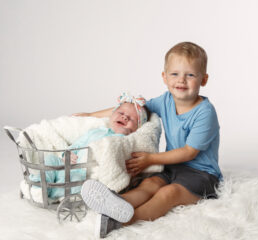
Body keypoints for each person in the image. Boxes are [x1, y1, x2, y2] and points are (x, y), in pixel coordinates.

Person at [77, 42, 222, 238]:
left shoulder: (205, 112)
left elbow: (189, 152)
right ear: (164, 77)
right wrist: (90, 114)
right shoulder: (166, 100)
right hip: (172, 167)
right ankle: (115, 203)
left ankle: (126, 220)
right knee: (150, 184)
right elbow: (132, 110)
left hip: (202, 174)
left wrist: (151, 159)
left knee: (168, 193)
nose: (181, 80)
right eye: (175, 74)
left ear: (203, 79)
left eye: (190, 75)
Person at [30, 93, 149, 199]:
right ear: (111, 115)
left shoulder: (124, 141)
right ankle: (40, 185)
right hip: (69, 164)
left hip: (82, 174)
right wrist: (67, 153)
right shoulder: (96, 131)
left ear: (136, 129)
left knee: (78, 185)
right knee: (50, 160)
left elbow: (117, 156)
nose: (124, 117)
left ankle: (49, 193)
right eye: (121, 113)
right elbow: (78, 144)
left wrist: (123, 134)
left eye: (131, 119)